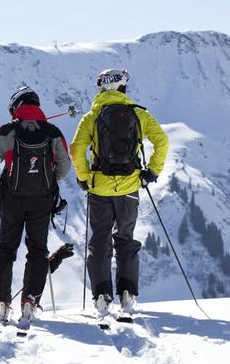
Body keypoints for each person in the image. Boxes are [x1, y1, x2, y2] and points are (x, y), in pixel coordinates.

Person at [69, 69, 169, 317]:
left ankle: (102, 296)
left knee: (100, 240)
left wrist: (84, 178)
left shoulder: (91, 117)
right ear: (122, 88)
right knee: (125, 238)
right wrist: (151, 172)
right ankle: (127, 293)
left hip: (99, 188)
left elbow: (77, 149)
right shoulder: (139, 114)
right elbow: (162, 141)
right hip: (130, 187)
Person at [0, 86, 71, 324]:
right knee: (37, 250)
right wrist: (47, 180)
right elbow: (65, 167)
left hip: (12, 198)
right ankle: (30, 301)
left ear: (15, 106)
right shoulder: (53, 132)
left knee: (5, 249)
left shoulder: (8, 130)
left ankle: (1, 302)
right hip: (42, 200)